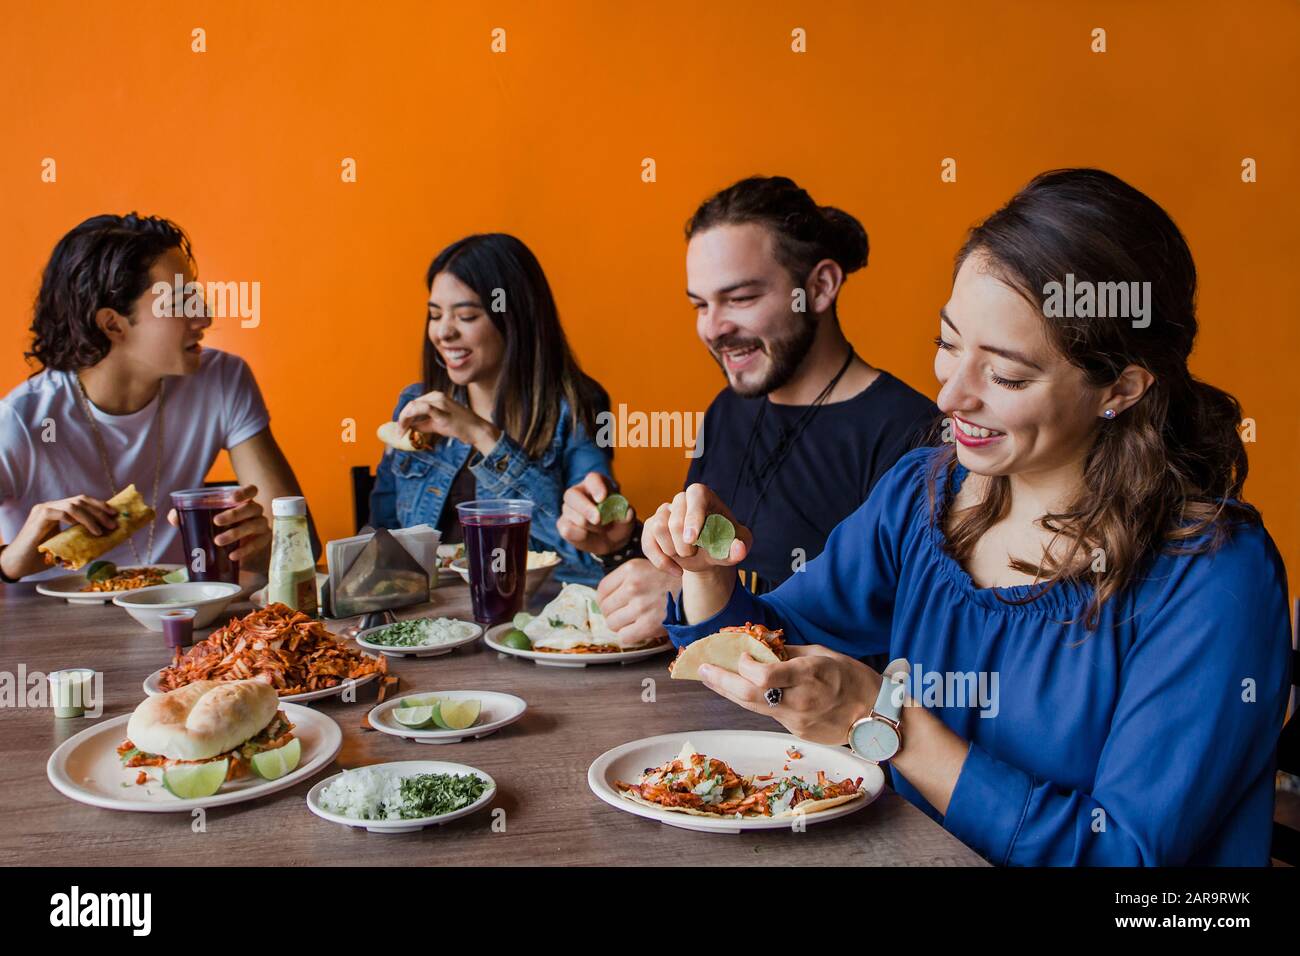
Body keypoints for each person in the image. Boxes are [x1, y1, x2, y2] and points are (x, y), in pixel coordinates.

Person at [642, 169, 1291, 866]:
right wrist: (706, 575)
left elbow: (1125, 860)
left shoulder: (1212, 575)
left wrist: (884, 719)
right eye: (948, 343)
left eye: (1007, 376)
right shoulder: (924, 491)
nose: (950, 394)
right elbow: (770, 656)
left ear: (1121, 387)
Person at [559, 176, 936, 644]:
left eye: (740, 299)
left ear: (819, 287)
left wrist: (691, 593)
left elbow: (899, 630)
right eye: (700, 305)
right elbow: (701, 561)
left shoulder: (915, 437)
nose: (713, 329)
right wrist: (621, 545)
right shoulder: (727, 410)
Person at [0, 213, 308, 583]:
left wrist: (263, 548)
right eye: (179, 302)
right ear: (113, 324)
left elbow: (301, 542)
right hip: (49, 633)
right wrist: (9, 563)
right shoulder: (23, 419)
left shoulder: (221, 380)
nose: (205, 316)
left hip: (178, 622)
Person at [369, 233, 613, 585]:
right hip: (428, 624)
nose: (443, 332)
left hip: (531, 623)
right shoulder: (414, 405)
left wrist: (483, 436)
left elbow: (588, 560)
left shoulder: (575, 408)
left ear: (514, 318)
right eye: (435, 315)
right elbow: (380, 538)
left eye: (466, 316)